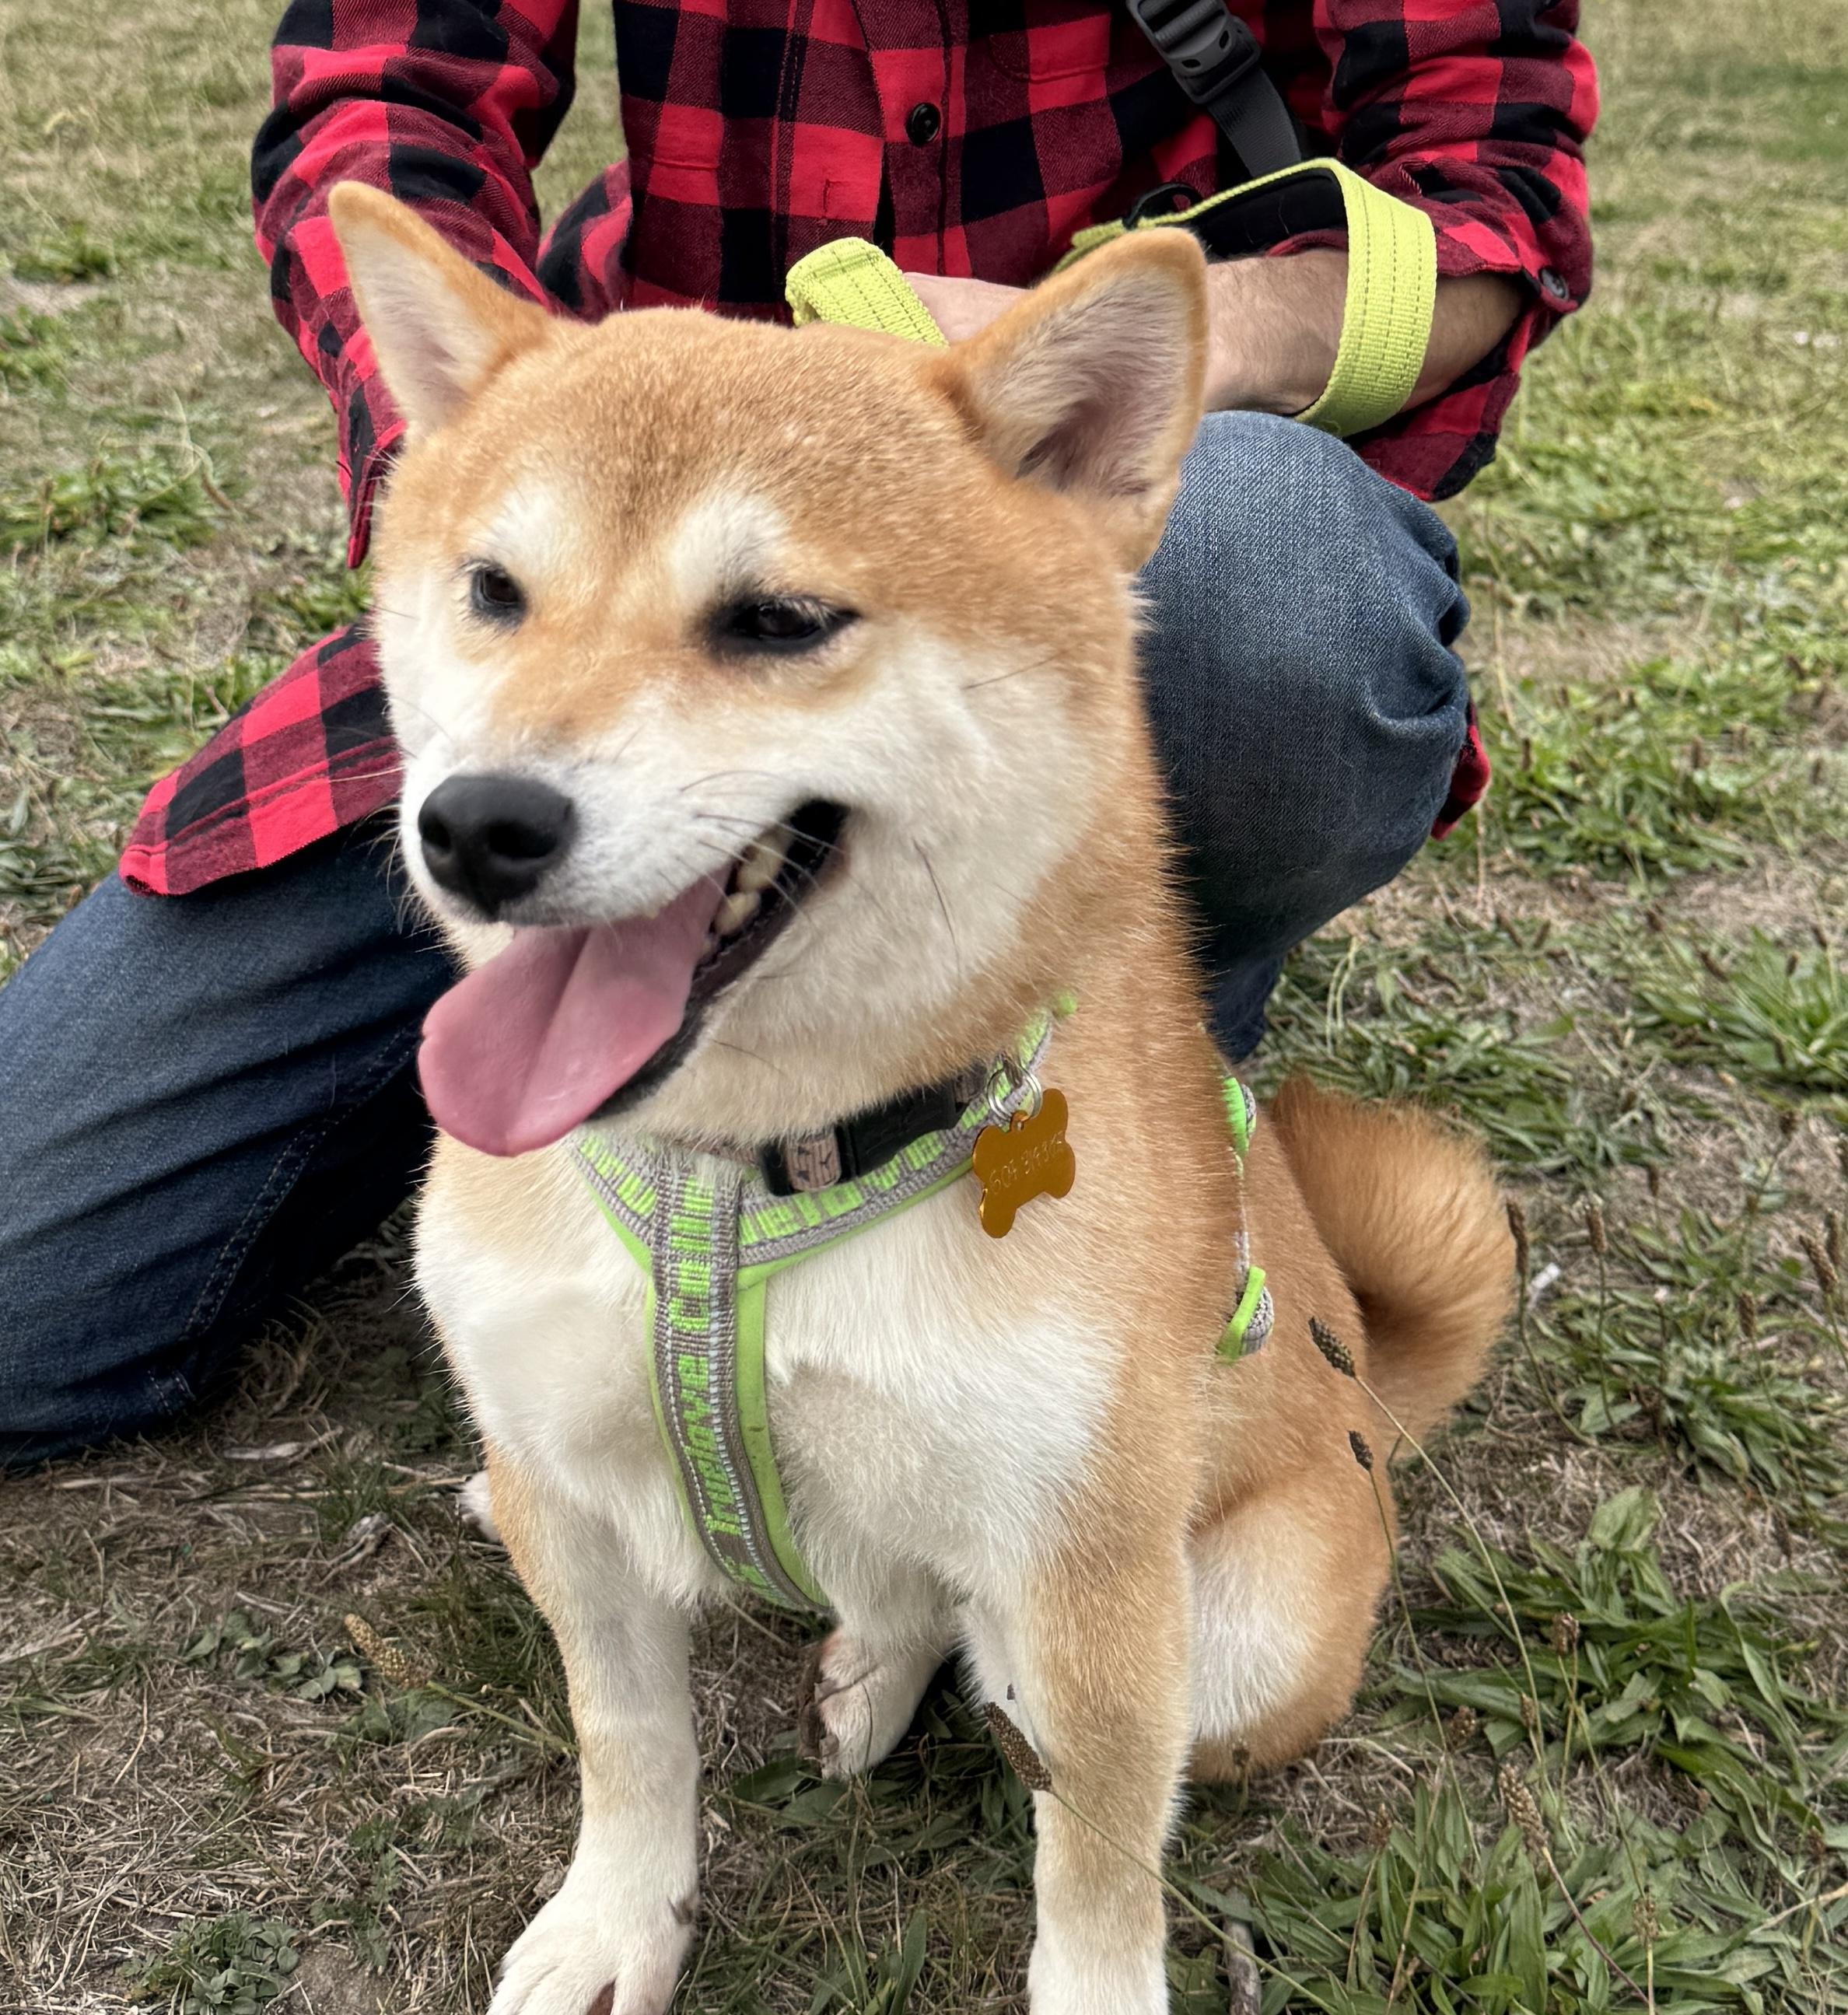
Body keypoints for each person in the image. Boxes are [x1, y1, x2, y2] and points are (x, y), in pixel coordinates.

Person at [0, 0, 1596, 1468]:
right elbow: (384, 88)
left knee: (1263, 591)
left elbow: (1496, 194)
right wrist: (496, 466)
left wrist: (1129, 370)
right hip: (618, 489)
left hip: (1099, 516)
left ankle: (1101, 1120)